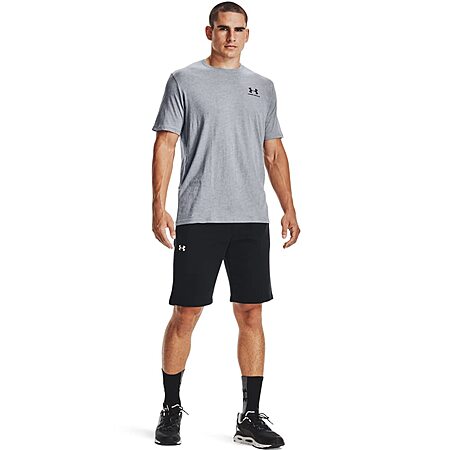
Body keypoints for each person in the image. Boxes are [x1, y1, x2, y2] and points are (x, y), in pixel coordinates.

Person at [151, 2, 300, 447]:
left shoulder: (263, 87)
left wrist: (289, 207)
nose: (230, 37)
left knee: (251, 312)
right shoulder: (184, 80)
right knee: (186, 312)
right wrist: (158, 206)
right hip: (200, 217)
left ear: (247, 34)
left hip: (251, 219)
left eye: (238, 29)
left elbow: (273, 152)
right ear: (209, 32)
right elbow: (166, 143)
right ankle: (170, 408)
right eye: (222, 28)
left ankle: (249, 417)